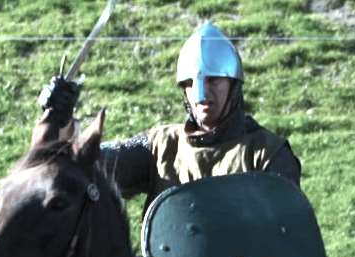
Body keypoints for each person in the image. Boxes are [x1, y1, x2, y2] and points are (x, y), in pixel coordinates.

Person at [39, 20, 301, 211]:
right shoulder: (161, 146)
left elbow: (282, 236)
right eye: (191, 83)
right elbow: (85, 166)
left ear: (233, 85)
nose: (201, 94)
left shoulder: (267, 153)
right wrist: (57, 121)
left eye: (213, 81)